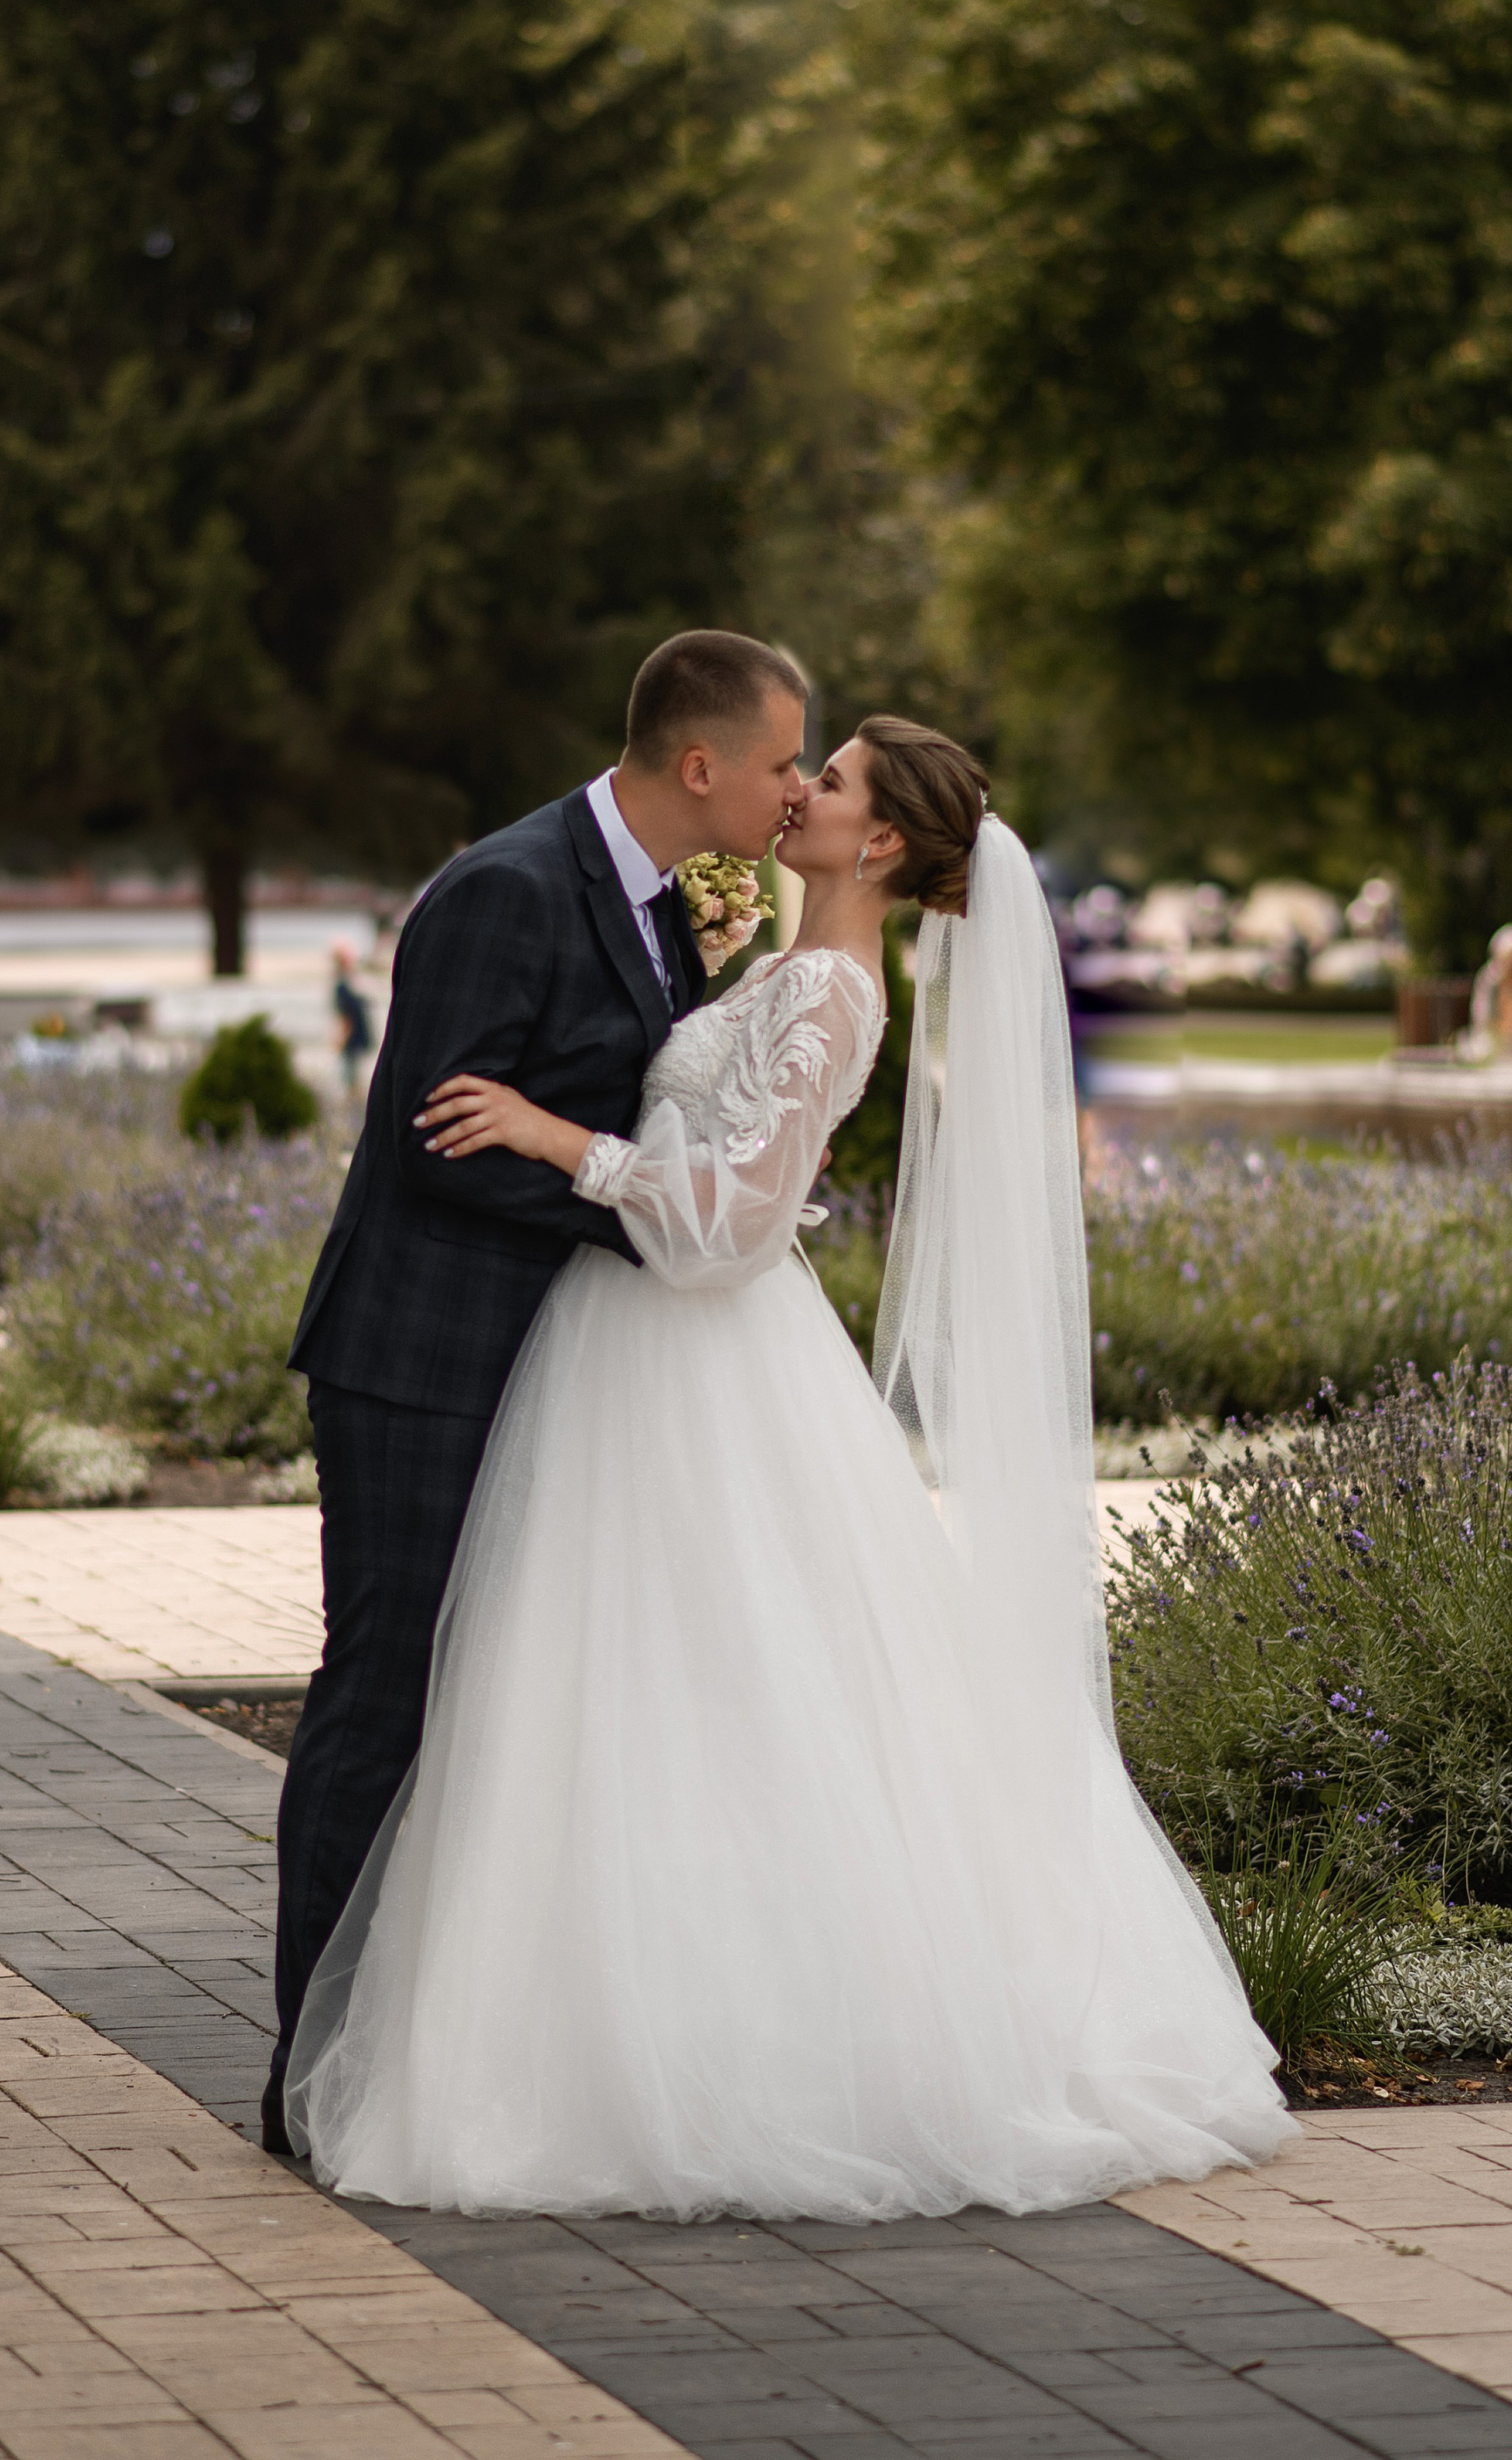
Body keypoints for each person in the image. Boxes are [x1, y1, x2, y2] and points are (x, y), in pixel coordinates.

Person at [281, 716, 1294, 2217]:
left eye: (828, 782)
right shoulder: (783, 967)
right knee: (634, 1694)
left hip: (689, 1359)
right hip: (631, 1358)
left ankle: (704, 2054)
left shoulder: (829, 991)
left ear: (876, 841)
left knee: (693, 1694)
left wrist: (560, 1140)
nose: (798, 789)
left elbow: (725, 1234)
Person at [266, 631, 810, 2153]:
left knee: (496, 1716)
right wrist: (640, 1212)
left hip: (540, 1367)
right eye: (779, 761)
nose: (791, 790)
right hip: (421, 1364)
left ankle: (416, 2059)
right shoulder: (506, 889)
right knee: (381, 1701)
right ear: (698, 765)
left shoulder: (648, 899)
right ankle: (305, 2079)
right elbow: (442, 1144)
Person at [330, 944, 375, 1099]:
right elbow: (346, 1016)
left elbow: (346, 1016)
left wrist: (341, 1039)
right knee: (352, 1078)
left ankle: (356, 1108)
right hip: (355, 1038)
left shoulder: (346, 985)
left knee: (352, 1079)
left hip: (355, 1038)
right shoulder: (346, 986)